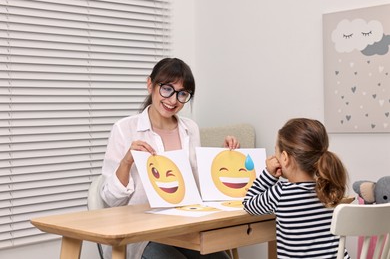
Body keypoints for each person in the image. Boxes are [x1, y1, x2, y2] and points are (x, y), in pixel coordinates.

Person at [100, 57, 239, 259]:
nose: (173, 100)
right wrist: (127, 161)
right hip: (142, 234)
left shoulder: (190, 129)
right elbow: (110, 200)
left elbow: (196, 187)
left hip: (184, 229)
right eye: (167, 89)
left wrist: (225, 157)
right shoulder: (124, 129)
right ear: (150, 84)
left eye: (183, 94)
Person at [243, 118, 350, 258]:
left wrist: (269, 175)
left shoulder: (280, 193)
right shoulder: (330, 190)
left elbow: (249, 204)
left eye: (276, 153)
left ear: (285, 158)